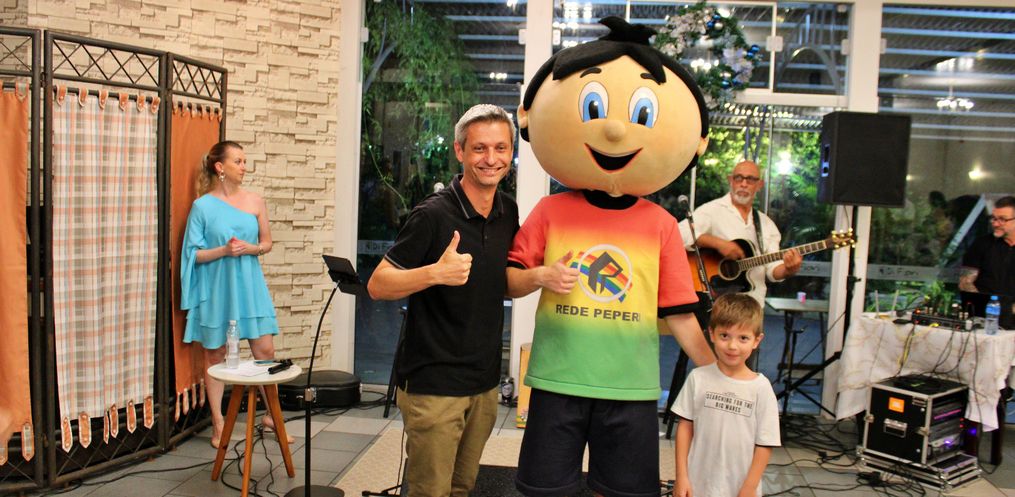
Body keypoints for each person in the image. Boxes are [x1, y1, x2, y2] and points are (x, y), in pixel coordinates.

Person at [507, 17, 715, 497]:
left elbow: (678, 311)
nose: (616, 128)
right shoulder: (551, 210)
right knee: (544, 490)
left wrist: (715, 373)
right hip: (557, 379)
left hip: (630, 386)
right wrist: (540, 276)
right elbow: (510, 280)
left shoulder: (661, 224)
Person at [366, 104, 519, 497]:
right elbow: (378, 284)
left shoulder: (507, 211)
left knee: (462, 487)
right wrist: (435, 273)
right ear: (459, 151)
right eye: (479, 148)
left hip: (484, 382)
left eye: (500, 148)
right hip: (433, 384)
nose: (491, 159)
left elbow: (497, 282)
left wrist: (542, 276)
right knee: (429, 491)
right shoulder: (432, 215)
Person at [180, 141, 282, 449]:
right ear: (220, 167)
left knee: (265, 349)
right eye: (238, 161)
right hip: (217, 288)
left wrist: (251, 248)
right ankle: (219, 423)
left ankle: (273, 418)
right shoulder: (202, 207)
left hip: (250, 285)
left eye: (245, 161)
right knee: (216, 354)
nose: (244, 167)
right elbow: (192, 255)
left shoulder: (255, 201)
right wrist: (223, 250)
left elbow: (267, 243)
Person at [672, 293, 780, 497]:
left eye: (743, 338)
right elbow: (685, 427)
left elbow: (765, 443)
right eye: (724, 336)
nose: (732, 346)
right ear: (712, 334)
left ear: (756, 340)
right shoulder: (698, 378)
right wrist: (681, 476)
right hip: (698, 484)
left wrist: (750, 487)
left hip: (740, 488)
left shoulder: (761, 388)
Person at [679, 160, 802, 306]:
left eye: (750, 179)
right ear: (730, 180)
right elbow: (680, 232)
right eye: (738, 178)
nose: (744, 184)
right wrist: (718, 244)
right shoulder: (712, 210)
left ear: (759, 185)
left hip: (753, 305)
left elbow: (772, 270)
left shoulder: (767, 225)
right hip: (717, 304)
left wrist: (788, 270)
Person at [960, 195, 1015, 298]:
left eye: (1002, 219)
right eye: (993, 218)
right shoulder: (981, 244)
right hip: (984, 306)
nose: (995, 224)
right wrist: (982, 303)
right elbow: (965, 282)